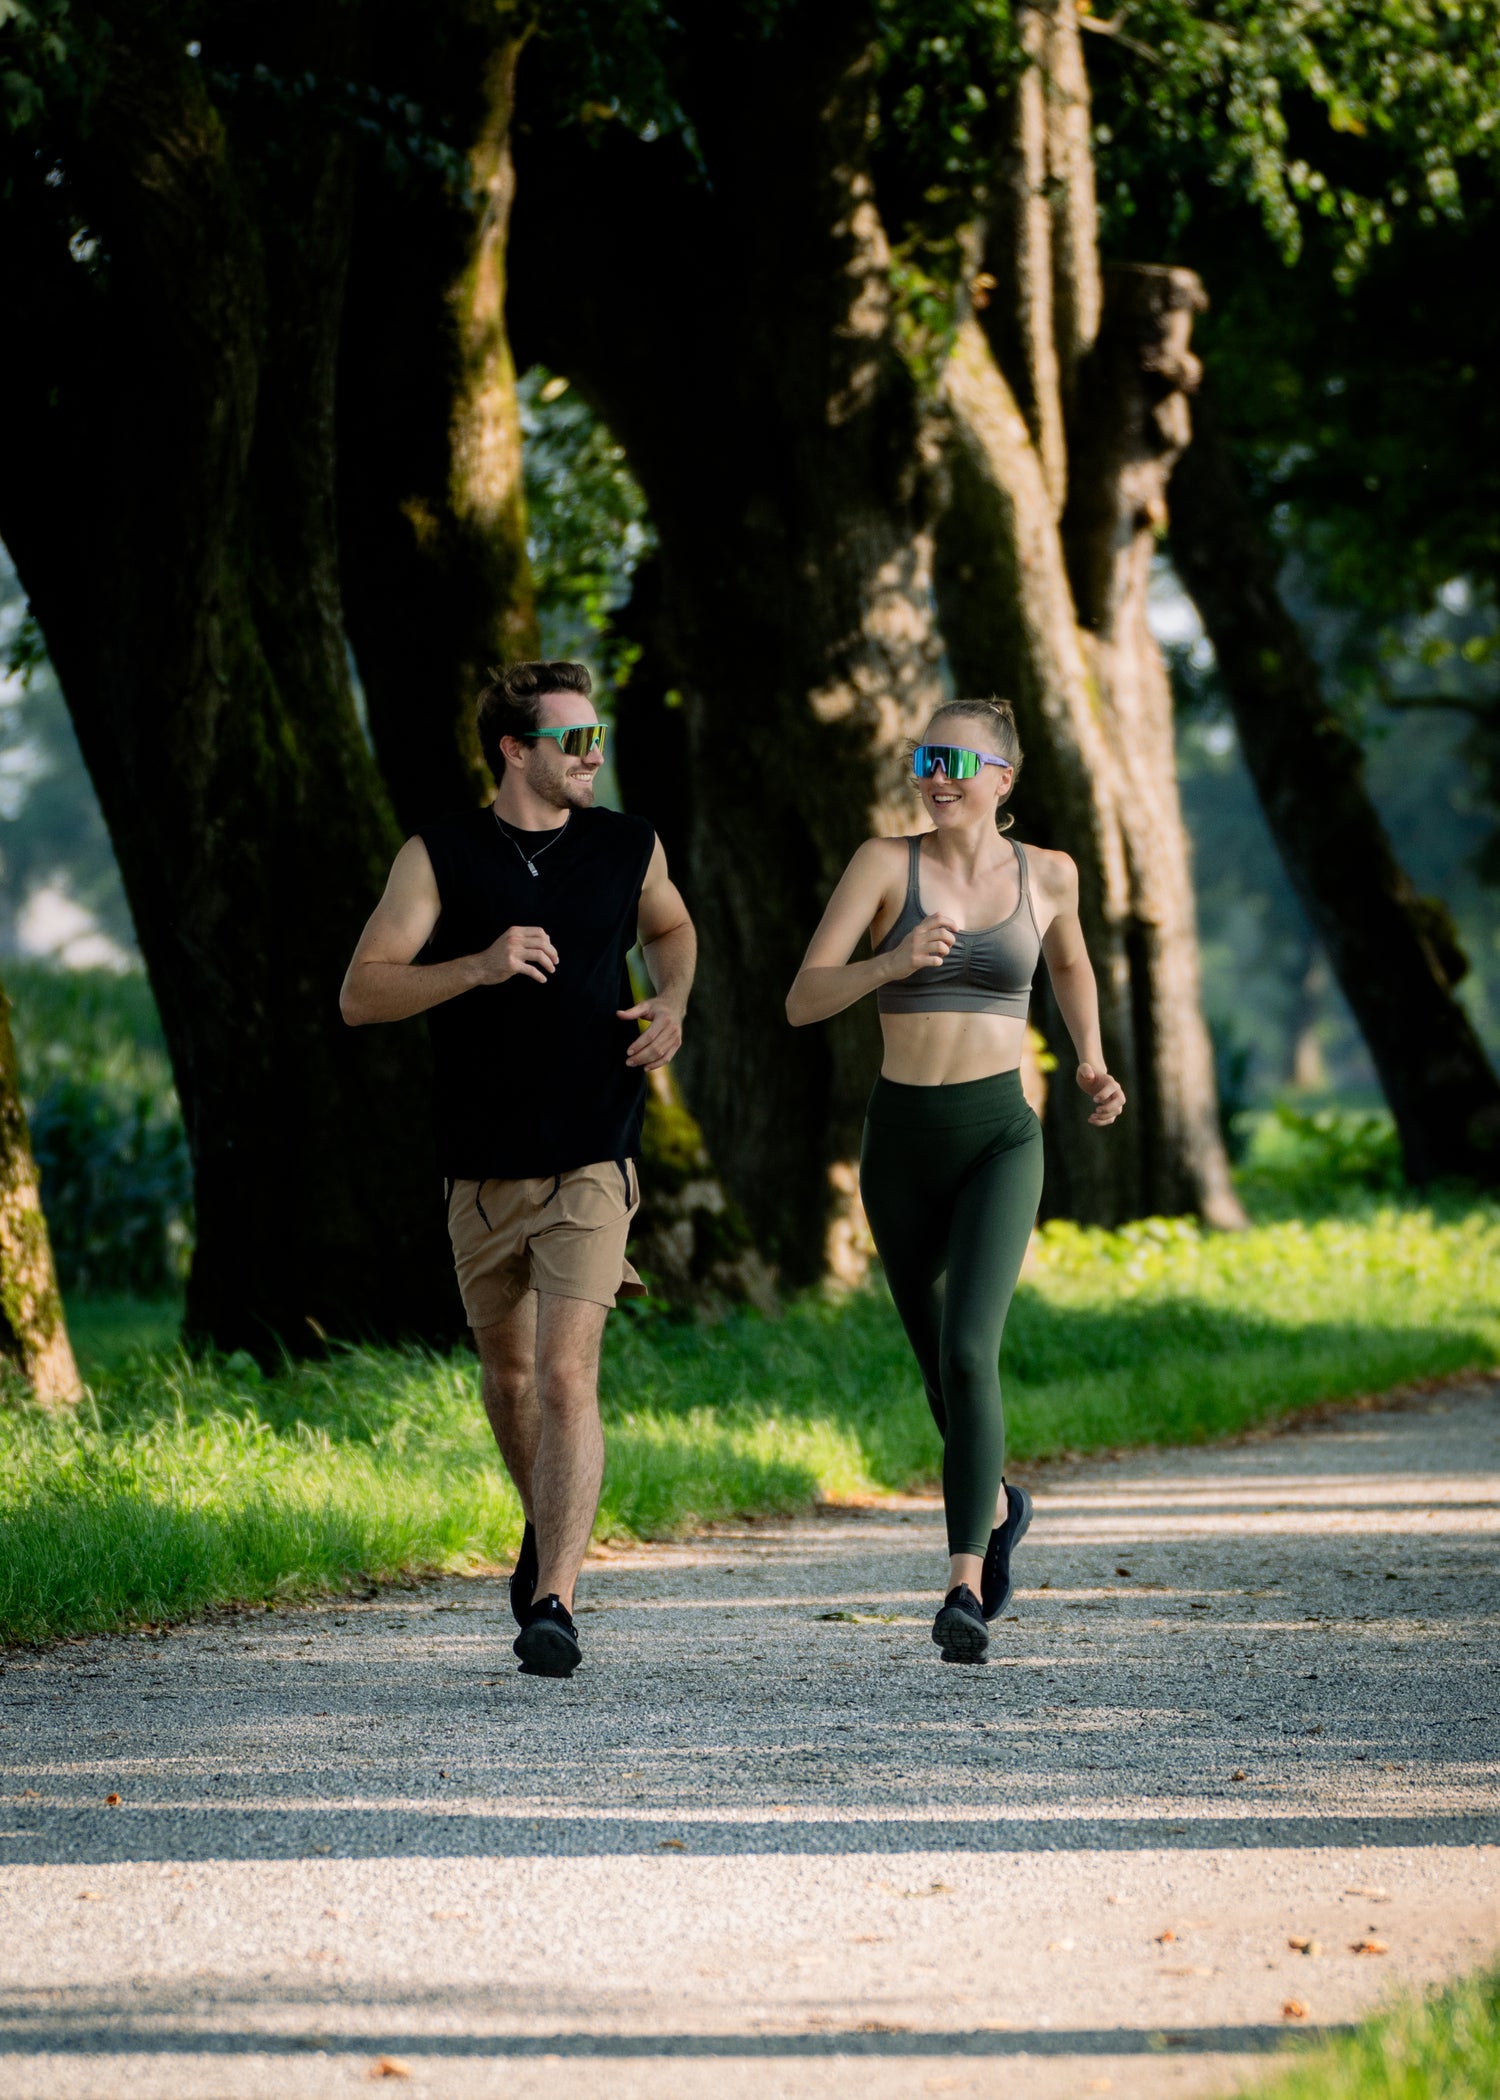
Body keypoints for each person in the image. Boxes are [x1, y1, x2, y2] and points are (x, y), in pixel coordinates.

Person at [340, 660, 696, 1679]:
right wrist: (480, 966)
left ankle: (555, 1601)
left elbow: (671, 928)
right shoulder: (439, 857)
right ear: (514, 749)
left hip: (594, 1148)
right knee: (507, 1377)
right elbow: (362, 995)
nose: (594, 757)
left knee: (564, 1369)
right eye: (574, 742)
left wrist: (672, 1002)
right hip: (481, 1166)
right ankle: (547, 1533)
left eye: (597, 740)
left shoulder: (629, 844)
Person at [785, 698, 1124, 1664]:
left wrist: (1091, 1061)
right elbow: (804, 996)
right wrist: (888, 961)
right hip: (899, 1146)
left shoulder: (1048, 873)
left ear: (1003, 779)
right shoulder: (883, 865)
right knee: (943, 1376)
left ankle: (962, 1586)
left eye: (956, 760)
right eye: (923, 757)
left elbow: (1071, 965)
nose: (936, 775)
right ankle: (1003, 1502)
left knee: (972, 1353)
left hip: (998, 1141)